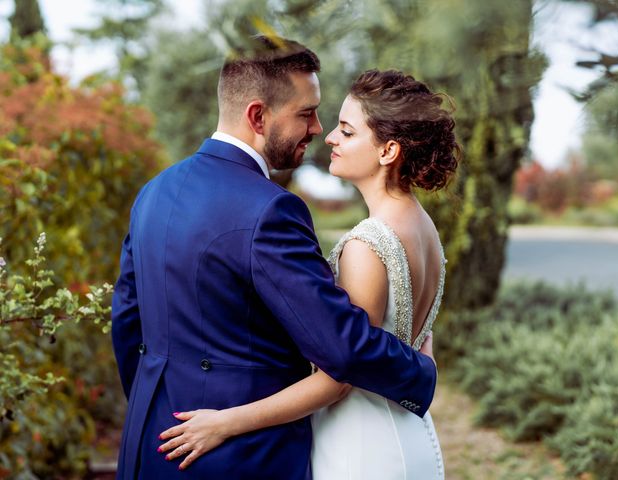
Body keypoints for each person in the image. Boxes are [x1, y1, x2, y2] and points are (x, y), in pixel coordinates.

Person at [111, 36, 438, 479]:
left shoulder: (153, 193)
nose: (318, 128)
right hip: (245, 457)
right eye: (306, 113)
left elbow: (128, 324)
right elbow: (340, 346)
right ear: (258, 116)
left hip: (156, 445)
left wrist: (158, 409)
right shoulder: (270, 210)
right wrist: (422, 371)